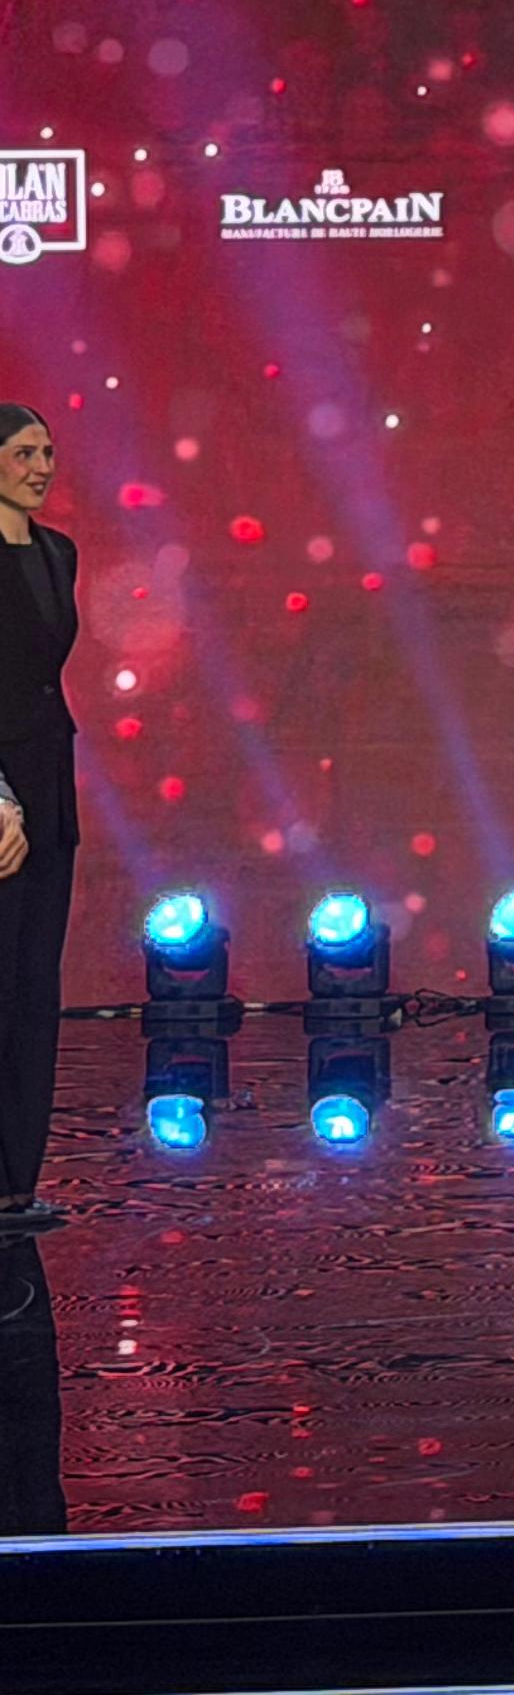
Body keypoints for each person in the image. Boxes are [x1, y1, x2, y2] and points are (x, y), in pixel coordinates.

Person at [0, 403, 77, 1243]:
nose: (41, 466)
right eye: (23, 453)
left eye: (48, 452)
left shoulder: (60, 553)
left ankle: (16, 1185)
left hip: (51, 791)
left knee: (33, 989)